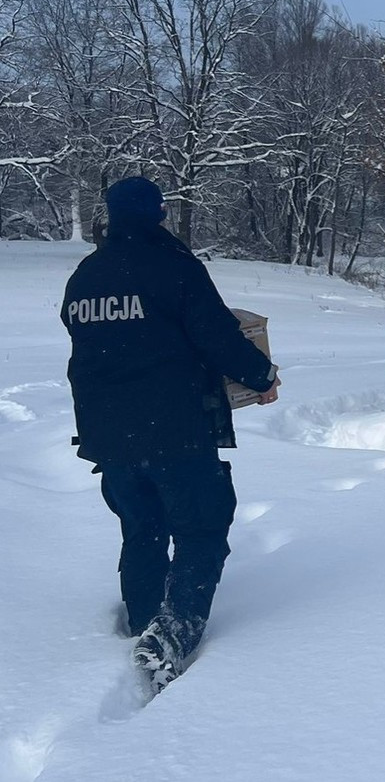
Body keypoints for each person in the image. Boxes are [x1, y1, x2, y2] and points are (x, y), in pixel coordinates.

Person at [61, 176, 280, 691]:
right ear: (157, 214)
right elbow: (216, 334)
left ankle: (142, 617)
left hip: (108, 435)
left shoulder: (86, 275)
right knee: (202, 526)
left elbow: (89, 339)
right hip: (173, 428)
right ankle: (171, 635)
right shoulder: (175, 267)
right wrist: (262, 377)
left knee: (143, 527)